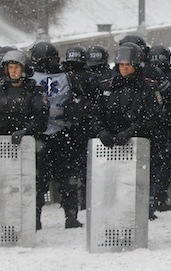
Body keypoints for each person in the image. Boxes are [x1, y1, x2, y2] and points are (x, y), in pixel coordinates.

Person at [91, 43, 162, 219]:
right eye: (122, 65)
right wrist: (102, 132)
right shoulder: (108, 87)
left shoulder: (147, 89)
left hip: (139, 144)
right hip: (112, 144)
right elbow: (96, 114)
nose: (124, 68)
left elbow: (153, 118)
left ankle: (144, 212)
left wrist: (131, 132)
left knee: (138, 184)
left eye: (128, 65)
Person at [30, 41, 91, 229]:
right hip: (62, 135)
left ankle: (36, 219)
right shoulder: (68, 77)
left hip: (41, 136)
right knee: (66, 180)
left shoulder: (31, 78)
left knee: (39, 181)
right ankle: (70, 217)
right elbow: (81, 103)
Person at [1, 52, 49, 230]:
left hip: (29, 145)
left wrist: (26, 130)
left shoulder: (35, 90)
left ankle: (33, 219)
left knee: (33, 184)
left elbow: (41, 118)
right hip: (3, 145)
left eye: (16, 67)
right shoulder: (1, 89)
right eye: (10, 68)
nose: (13, 72)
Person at [60, 45, 100, 211]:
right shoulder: (92, 78)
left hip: (67, 128)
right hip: (85, 128)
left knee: (68, 170)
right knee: (86, 168)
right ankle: (85, 201)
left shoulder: (63, 77)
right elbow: (97, 102)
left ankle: (69, 204)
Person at [148, 45, 171, 212]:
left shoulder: (145, 75)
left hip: (151, 127)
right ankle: (159, 198)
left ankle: (152, 198)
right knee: (164, 165)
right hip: (166, 127)